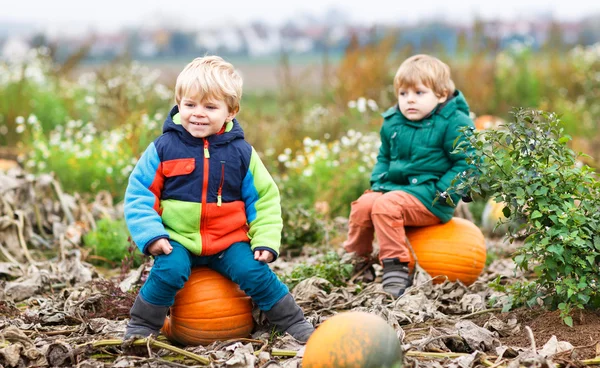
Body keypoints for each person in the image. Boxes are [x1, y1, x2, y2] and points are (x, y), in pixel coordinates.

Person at [123, 56, 314, 342]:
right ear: (178, 102)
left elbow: (264, 199)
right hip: (178, 238)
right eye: (189, 105)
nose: (197, 113)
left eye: (210, 107)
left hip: (228, 240)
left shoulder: (242, 153)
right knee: (169, 270)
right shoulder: (163, 148)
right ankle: (141, 326)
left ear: (230, 111)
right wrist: (151, 234)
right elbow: (139, 193)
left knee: (253, 271)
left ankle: (293, 322)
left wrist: (265, 240)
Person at [343, 54, 476, 298]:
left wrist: (443, 192)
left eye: (419, 93)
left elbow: (468, 164)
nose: (409, 100)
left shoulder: (455, 123)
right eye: (403, 94)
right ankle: (358, 260)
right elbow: (384, 156)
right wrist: (379, 181)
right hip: (396, 191)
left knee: (385, 206)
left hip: (432, 197)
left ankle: (396, 267)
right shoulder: (393, 122)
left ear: (441, 95)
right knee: (363, 205)